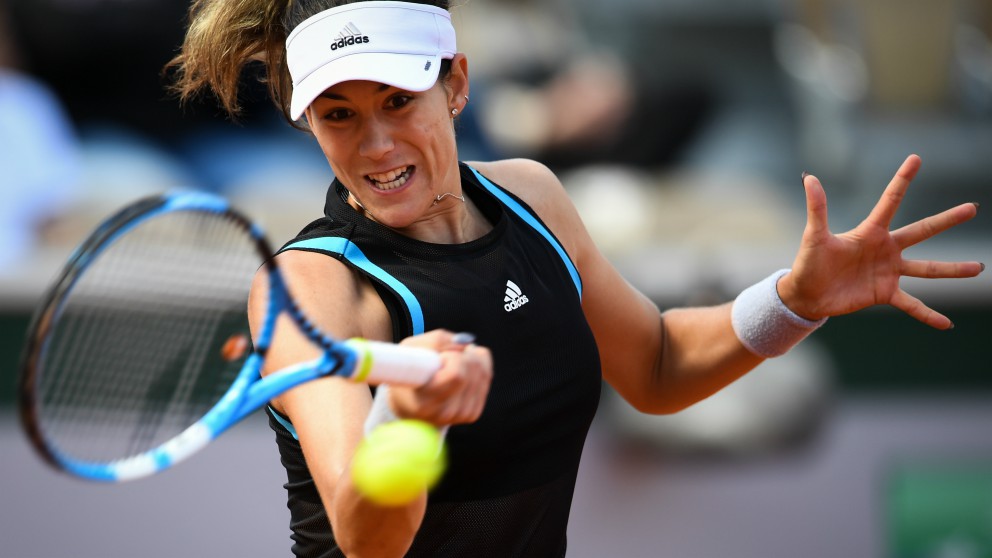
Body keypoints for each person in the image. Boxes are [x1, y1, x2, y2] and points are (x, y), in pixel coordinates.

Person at [167, 1, 984, 556]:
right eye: (339, 114)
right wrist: (409, 427)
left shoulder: (532, 195)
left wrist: (794, 302)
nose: (375, 143)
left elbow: (656, 366)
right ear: (309, 121)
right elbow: (364, 538)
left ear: (455, 83)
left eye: (397, 99)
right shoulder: (312, 287)